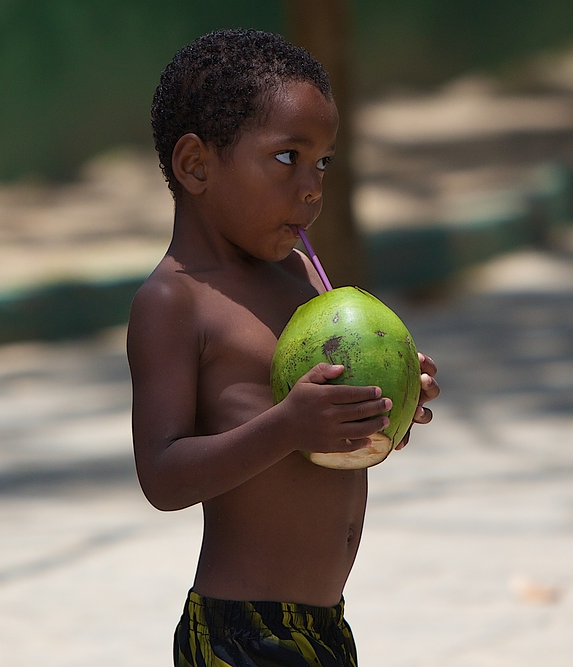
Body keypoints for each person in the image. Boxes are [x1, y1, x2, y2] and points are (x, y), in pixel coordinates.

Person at [126, 29, 440, 667]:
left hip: (324, 628)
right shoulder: (175, 302)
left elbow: (323, 442)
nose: (312, 187)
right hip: (241, 635)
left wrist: (382, 412)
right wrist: (289, 426)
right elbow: (162, 475)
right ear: (196, 165)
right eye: (287, 157)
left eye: (323, 161)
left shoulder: (304, 280)